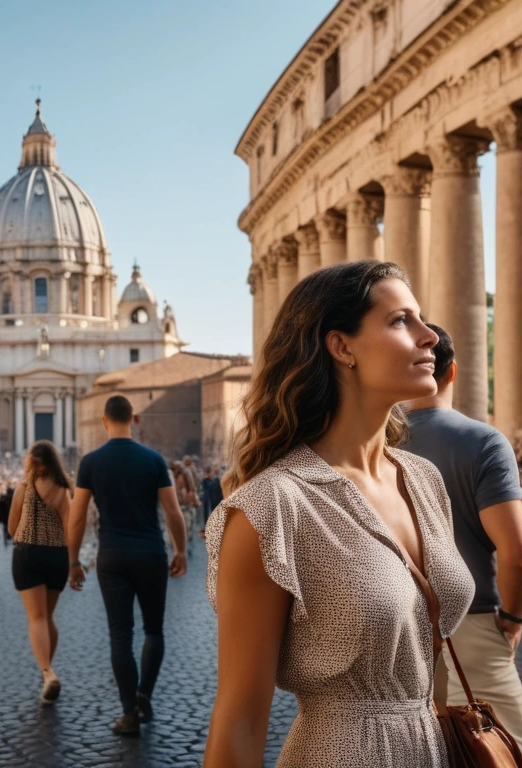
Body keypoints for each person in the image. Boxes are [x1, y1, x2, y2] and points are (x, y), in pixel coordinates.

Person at [203, 261, 474, 766]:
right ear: (342, 347)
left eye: (421, 318)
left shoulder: (423, 480)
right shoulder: (272, 508)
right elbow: (239, 717)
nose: (430, 336)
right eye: (400, 320)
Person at [403, 324, 522, 767]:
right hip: (472, 621)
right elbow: (520, 557)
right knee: (511, 754)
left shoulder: (370, 445)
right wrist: (513, 619)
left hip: (393, 626)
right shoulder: (482, 441)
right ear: (454, 372)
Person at [68, 395, 188, 736]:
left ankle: (128, 713)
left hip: (112, 556)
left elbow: (77, 517)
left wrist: (74, 560)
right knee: (154, 629)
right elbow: (173, 512)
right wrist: (180, 551)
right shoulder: (154, 460)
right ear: (133, 419)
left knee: (120, 635)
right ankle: (144, 695)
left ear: (105, 421)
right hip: (150, 553)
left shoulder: (91, 462)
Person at [8, 441, 72, 705]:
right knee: (48, 617)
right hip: (57, 555)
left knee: (37, 617)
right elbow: (70, 529)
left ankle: (47, 673)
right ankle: (48, 671)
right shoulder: (63, 490)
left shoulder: (23, 489)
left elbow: (12, 527)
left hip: (28, 553)